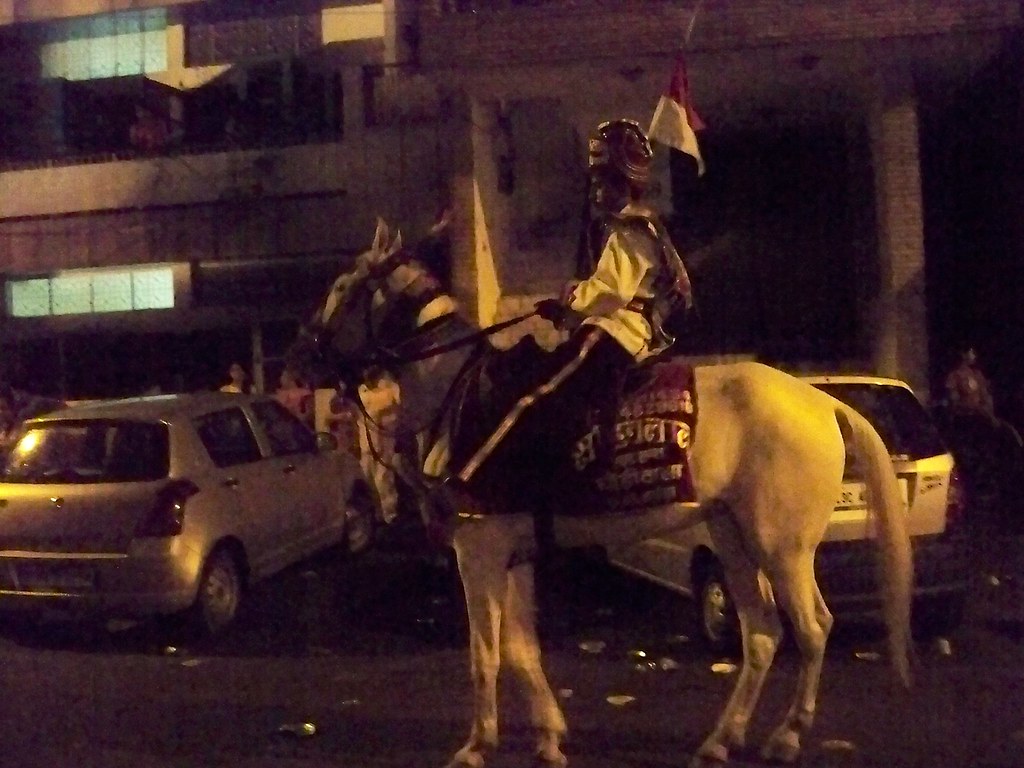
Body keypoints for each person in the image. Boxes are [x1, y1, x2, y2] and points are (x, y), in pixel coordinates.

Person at [448, 118, 693, 492]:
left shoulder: (630, 229)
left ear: (622, 183)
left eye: (601, 181)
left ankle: (466, 477)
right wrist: (568, 312)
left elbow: (610, 291)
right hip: (618, 329)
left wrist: (572, 299)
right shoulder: (636, 228)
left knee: (533, 395)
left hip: (613, 332)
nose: (594, 190)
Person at [945, 346, 994, 419]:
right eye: (972, 353)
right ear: (963, 354)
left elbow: (985, 395)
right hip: (965, 417)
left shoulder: (977, 374)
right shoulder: (954, 376)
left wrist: (986, 409)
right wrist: (975, 408)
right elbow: (954, 402)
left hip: (981, 416)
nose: (974, 356)